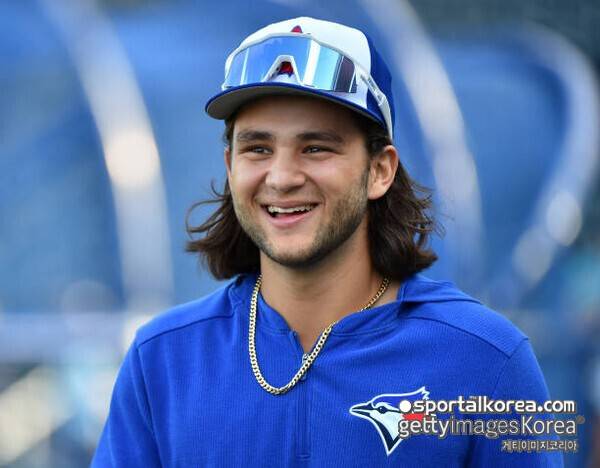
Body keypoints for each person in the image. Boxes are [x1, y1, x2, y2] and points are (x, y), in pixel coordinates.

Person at [92, 17, 563, 467]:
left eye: (316, 147)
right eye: (258, 149)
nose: (282, 177)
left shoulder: (489, 358)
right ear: (230, 166)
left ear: (380, 170)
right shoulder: (162, 359)